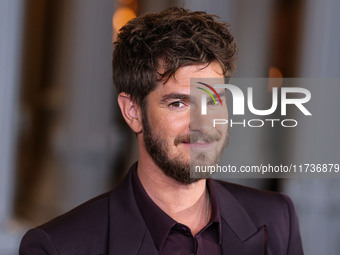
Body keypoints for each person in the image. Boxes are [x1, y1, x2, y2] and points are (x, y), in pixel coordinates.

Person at [19, 7, 303, 255]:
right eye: (178, 103)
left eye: (214, 100)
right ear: (133, 111)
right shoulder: (58, 247)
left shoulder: (276, 219)